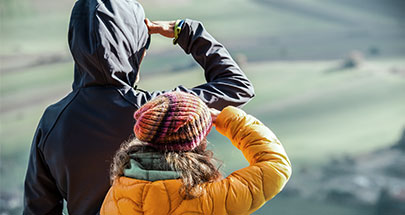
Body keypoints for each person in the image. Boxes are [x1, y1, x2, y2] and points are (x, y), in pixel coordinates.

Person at [23, 0, 255, 214]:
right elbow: (237, 86)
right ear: (135, 50)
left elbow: (38, 210)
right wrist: (186, 31)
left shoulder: (52, 122)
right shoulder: (158, 112)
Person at [100, 91, 292, 215]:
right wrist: (231, 121)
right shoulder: (209, 199)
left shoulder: (118, 190)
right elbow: (276, 167)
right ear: (196, 140)